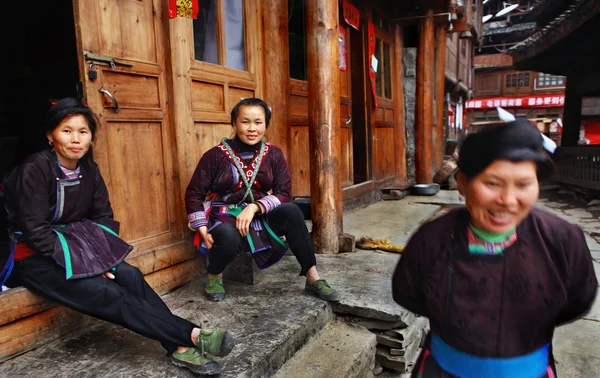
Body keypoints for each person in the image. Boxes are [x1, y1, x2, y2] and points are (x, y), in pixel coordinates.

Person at [0, 98, 235, 376]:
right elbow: (35, 232)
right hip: (34, 256)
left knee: (131, 275)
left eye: (83, 132)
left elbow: (103, 217)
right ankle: (191, 336)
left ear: (91, 137)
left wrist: (97, 258)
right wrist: (86, 265)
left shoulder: (89, 169)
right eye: (66, 131)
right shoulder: (34, 169)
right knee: (106, 292)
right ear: (50, 135)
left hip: (79, 246)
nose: (76, 139)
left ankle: (179, 345)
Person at [392, 116, 597, 378]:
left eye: (523, 184)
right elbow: (408, 293)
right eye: (492, 183)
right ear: (463, 184)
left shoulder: (563, 240)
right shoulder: (432, 239)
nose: (507, 200)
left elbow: (578, 300)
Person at [185, 97, 339, 302]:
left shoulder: (273, 154)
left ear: (265, 125)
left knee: (292, 211)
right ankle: (214, 275)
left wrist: (255, 208)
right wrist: (202, 228)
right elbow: (194, 192)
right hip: (224, 215)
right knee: (228, 236)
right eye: (245, 121)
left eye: (258, 122)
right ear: (234, 123)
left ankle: (312, 276)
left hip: (260, 214)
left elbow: (284, 191)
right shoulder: (215, 156)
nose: (252, 128)